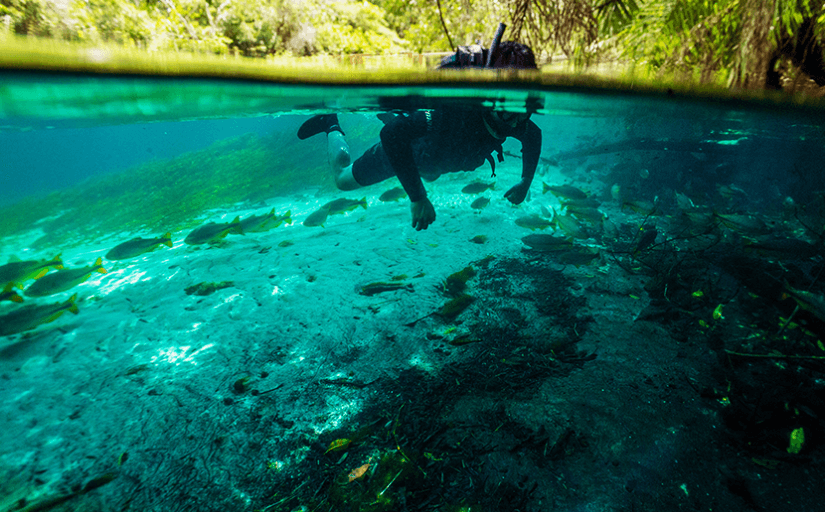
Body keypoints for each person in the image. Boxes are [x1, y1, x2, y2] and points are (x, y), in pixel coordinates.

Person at [297, 41, 542, 231]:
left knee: (432, 171)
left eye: (526, 111)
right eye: (510, 111)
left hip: (437, 161)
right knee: (342, 180)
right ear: (492, 96)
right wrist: (418, 198)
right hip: (411, 153)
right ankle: (330, 123)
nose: (518, 121)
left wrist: (525, 181)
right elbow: (392, 135)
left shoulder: (515, 118)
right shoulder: (452, 112)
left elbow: (533, 135)